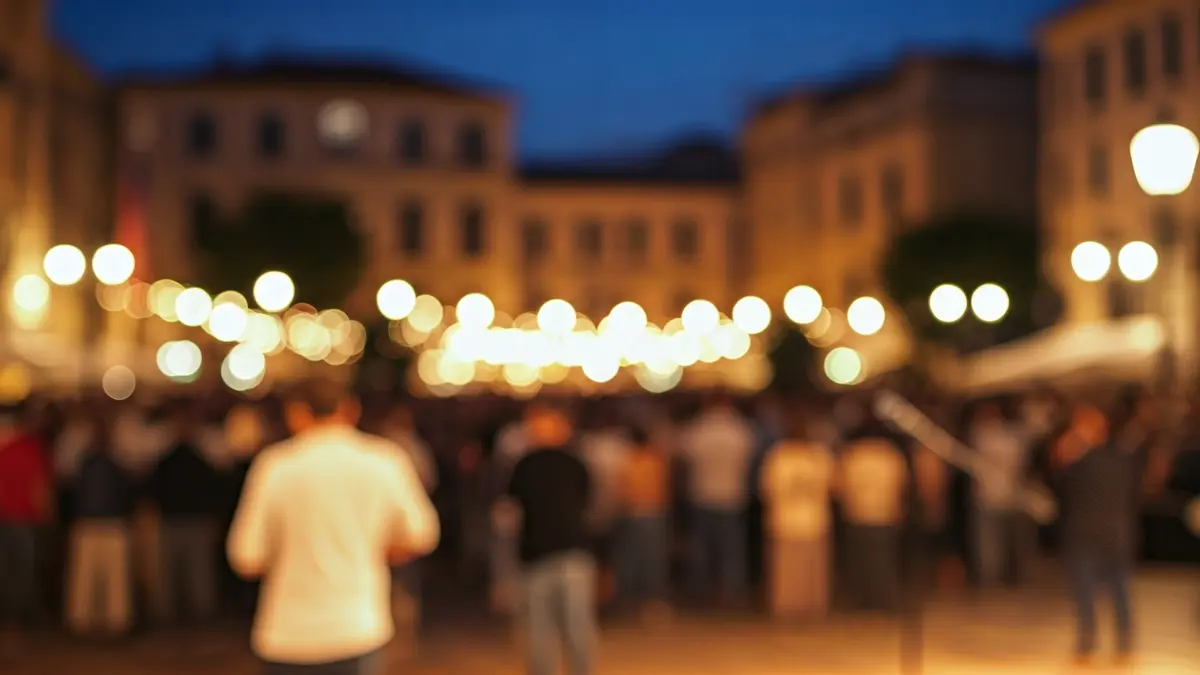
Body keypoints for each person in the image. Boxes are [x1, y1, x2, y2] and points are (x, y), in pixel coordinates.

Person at [228, 377, 439, 675]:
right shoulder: (384, 461)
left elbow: (246, 556)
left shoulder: (276, 467)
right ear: (351, 409)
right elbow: (421, 535)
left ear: (296, 413)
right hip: (357, 626)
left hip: (289, 632)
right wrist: (375, 551)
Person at [504, 403, 595, 675]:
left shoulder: (572, 463)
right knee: (541, 632)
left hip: (569, 556)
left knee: (574, 628)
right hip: (538, 558)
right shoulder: (525, 465)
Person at [1054, 404, 1138, 666]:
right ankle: (1105, 645)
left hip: (1093, 536)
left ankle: (1099, 645)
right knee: (1105, 593)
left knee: (1102, 592)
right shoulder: (1121, 457)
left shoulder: (1082, 461)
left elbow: (1057, 471)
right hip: (1110, 534)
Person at [147, 404, 223, 627]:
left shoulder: (201, 460)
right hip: (172, 522)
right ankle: (168, 617)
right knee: (169, 574)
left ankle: (201, 617)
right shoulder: (166, 460)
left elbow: (212, 491)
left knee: (199, 574)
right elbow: (155, 490)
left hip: (196, 523)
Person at [677, 397, 756, 606]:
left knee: (703, 549)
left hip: (704, 495)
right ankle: (732, 591)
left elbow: (684, 456)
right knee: (731, 550)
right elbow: (750, 456)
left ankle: (701, 591)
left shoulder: (699, 430)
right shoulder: (739, 430)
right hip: (731, 496)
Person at [760, 410, 834, 619]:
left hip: (794, 521)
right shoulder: (815, 456)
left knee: (791, 569)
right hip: (807, 520)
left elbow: (767, 488)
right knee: (805, 569)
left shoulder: (780, 456)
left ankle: (793, 606)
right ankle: (804, 606)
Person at [65, 416, 134, 637]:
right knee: (84, 579)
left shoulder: (119, 463)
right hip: (88, 524)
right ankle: (81, 620)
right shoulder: (83, 462)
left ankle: (117, 621)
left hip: (113, 524)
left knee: (116, 580)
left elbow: (129, 492)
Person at [838, 417, 909, 612]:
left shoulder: (853, 455)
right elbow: (901, 485)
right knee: (883, 559)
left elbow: (841, 486)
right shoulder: (891, 455)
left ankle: (861, 599)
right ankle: (882, 598)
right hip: (884, 514)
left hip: (858, 513)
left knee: (859, 560)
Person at [0, 406, 51, 659]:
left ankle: (12, 620)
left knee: (9, 571)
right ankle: (16, 620)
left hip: (8, 518)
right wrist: (45, 516)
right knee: (22, 571)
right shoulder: (31, 449)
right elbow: (39, 487)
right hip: (22, 519)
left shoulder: (8, 449)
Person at [968, 400, 1034, 588]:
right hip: (1003, 495)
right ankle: (1003, 576)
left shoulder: (980, 436)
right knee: (1001, 541)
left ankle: (990, 578)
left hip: (991, 497)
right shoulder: (1011, 439)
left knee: (990, 541)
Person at [614, 425, 671, 621]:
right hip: (653, 514)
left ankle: (630, 601)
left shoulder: (629, 460)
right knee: (651, 560)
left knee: (632, 560)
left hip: (634, 514)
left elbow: (623, 490)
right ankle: (650, 603)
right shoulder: (655, 459)